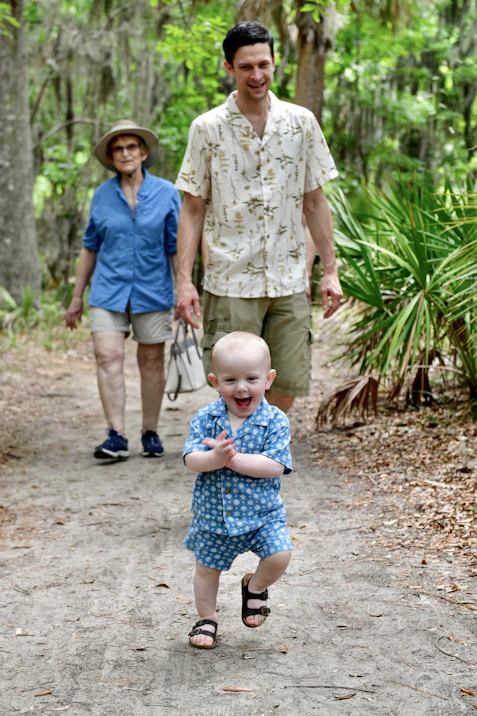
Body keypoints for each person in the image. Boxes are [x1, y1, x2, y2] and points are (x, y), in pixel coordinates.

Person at [175, 21, 343, 415]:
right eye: (246, 67)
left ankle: (264, 456)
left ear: (274, 63)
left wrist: (330, 271)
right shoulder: (207, 128)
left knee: (287, 379)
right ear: (229, 68)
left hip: (288, 279)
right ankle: (241, 460)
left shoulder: (301, 123)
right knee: (235, 386)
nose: (257, 75)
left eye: (264, 65)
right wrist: (184, 282)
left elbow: (315, 202)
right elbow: (192, 208)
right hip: (230, 280)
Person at [63, 120, 181, 459]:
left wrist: (184, 290)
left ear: (143, 153)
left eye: (132, 147)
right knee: (107, 355)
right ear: (112, 157)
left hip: (153, 289)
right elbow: (90, 247)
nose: (126, 153)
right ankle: (116, 434)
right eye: (119, 149)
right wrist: (76, 298)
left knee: (151, 361)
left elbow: (175, 246)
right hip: (107, 290)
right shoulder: (101, 196)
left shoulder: (166, 193)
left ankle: (150, 431)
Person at [183, 332, 292, 649]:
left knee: (280, 554)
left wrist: (233, 460)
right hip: (215, 515)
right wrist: (214, 458)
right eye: (230, 380)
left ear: (268, 379)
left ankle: (255, 587)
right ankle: (207, 618)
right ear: (215, 382)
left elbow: (275, 464)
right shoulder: (207, 417)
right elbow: (191, 459)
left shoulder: (275, 420)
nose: (241, 387)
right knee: (206, 570)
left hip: (262, 515)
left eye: (251, 378)